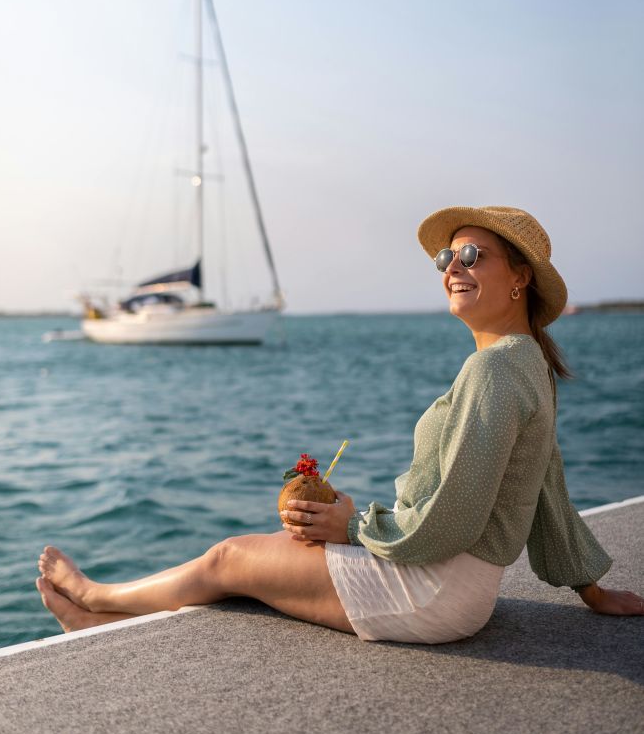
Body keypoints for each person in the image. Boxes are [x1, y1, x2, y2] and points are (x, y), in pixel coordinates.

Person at [36, 206, 644, 642]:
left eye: (471, 255)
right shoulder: (525, 362)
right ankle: (100, 622)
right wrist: (589, 587)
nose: (452, 267)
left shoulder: (496, 372)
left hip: (432, 591)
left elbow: (452, 520)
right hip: (457, 586)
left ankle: (95, 597)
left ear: (519, 278)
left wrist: (352, 525)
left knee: (228, 561)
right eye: (445, 257)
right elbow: (547, 485)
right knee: (260, 555)